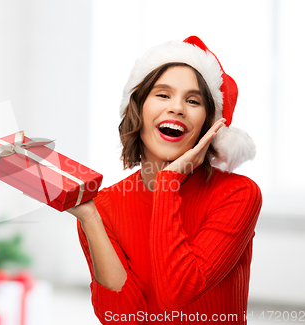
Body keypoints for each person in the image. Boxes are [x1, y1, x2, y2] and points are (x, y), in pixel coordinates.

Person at [67, 36, 262, 324]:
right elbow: (121, 318)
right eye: (162, 94)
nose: (177, 108)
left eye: (193, 100)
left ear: (208, 125)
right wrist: (90, 219)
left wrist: (168, 182)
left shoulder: (237, 194)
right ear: (138, 109)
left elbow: (180, 291)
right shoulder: (103, 205)